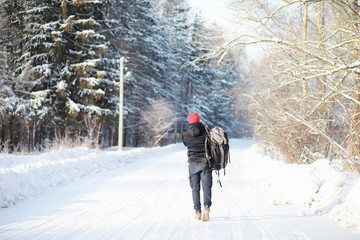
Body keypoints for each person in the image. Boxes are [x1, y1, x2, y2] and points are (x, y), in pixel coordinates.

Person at [182, 112, 213, 221]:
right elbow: (211, 143)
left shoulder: (185, 133)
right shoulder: (206, 130)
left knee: (195, 189)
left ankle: (197, 212)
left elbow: (186, 144)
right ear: (198, 119)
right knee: (206, 187)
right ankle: (206, 207)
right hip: (206, 162)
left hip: (192, 163)